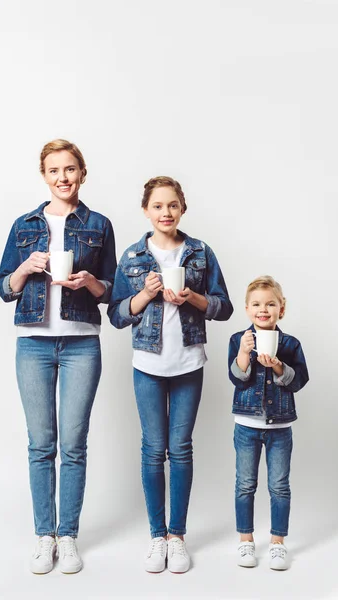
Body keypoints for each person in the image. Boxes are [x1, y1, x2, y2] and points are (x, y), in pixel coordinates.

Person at [0, 139, 116, 574]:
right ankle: (43, 535)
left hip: (82, 342)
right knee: (41, 444)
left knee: (74, 444)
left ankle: (68, 537)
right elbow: (3, 287)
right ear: (44, 176)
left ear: (82, 173)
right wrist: (25, 268)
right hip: (33, 344)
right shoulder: (24, 224)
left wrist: (90, 283)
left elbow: (114, 291)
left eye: (70, 169)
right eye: (54, 170)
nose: (63, 177)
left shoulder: (99, 224)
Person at [108, 176, 233, 573]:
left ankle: (177, 537)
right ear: (146, 211)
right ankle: (156, 536)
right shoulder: (131, 257)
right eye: (158, 206)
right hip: (147, 365)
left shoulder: (199, 252)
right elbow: (115, 315)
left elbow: (225, 307)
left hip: (188, 364)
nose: (165, 212)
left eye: (172, 205)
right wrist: (145, 295)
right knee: (152, 449)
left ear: (182, 208)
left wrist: (191, 297)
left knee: (180, 450)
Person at [228, 275, 309, 570]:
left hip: (279, 428)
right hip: (247, 426)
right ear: (248, 309)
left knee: (279, 486)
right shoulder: (239, 340)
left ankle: (277, 543)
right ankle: (246, 541)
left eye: (270, 304)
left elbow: (299, 381)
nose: (264, 309)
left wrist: (277, 365)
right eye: (257, 304)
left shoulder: (290, 344)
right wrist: (243, 354)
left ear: (281, 309)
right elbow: (236, 378)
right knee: (245, 485)